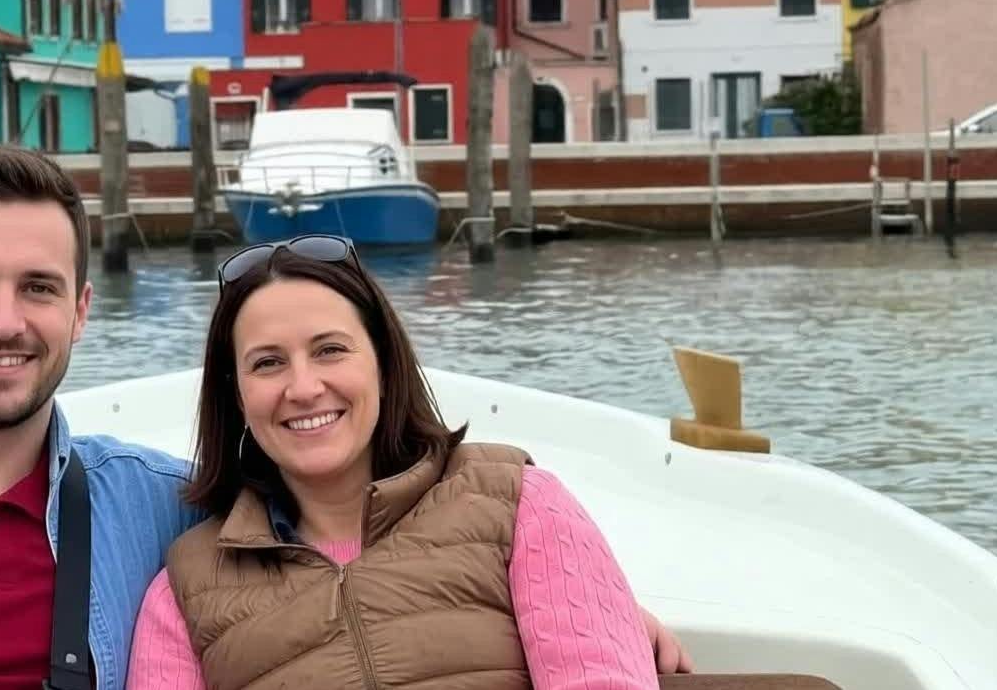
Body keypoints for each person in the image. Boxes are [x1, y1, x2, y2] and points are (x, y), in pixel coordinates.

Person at [0, 147, 689, 689]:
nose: (2, 321)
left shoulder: (148, 503)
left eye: (36, 289)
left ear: (81, 308)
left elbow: (351, 507)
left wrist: (593, 592)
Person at [129, 234, 659, 690]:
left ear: (383, 362)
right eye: (268, 363)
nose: (305, 387)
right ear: (237, 395)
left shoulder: (519, 505)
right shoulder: (185, 593)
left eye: (330, 350)